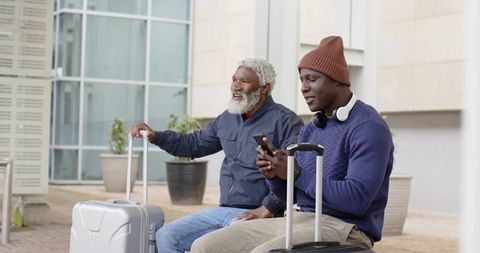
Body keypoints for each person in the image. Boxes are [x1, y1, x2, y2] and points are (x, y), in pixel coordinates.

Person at [190, 36, 394, 253]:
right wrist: (276, 176)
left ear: (337, 80)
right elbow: (293, 196)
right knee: (205, 246)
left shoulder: (368, 128)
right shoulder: (312, 129)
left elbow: (356, 199)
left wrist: (296, 174)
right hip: (300, 219)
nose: (304, 88)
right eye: (301, 80)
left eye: (312, 79)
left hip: (346, 228)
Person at [129, 58, 304, 253]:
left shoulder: (286, 121)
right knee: (166, 236)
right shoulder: (227, 118)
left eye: (244, 81)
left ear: (264, 88)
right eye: (234, 79)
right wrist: (156, 136)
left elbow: (297, 172)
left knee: (214, 247)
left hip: (260, 214)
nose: (235, 86)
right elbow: (193, 144)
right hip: (223, 210)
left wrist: (268, 208)